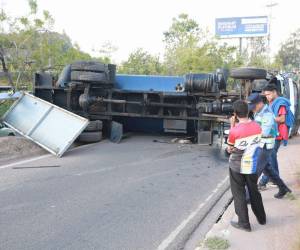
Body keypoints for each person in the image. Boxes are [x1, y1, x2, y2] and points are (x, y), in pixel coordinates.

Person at [227, 100, 266, 232]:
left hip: (237, 167)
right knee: (254, 191)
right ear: (248, 111)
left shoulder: (235, 131)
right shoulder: (257, 126)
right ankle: (262, 218)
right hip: (252, 165)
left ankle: (244, 223)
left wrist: (232, 125)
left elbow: (230, 149)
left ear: (235, 114)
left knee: (239, 194)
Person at [247, 93, 292, 198]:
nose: (252, 109)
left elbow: (264, 132)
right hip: (260, 145)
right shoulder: (259, 111)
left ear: (259, 103)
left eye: (253, 107)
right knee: (268, 170)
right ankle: (283, 188)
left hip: (265, 146)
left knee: (254, 172)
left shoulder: (266, 114)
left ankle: (247, 196)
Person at [259, 84, 295, 189]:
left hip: (277, 134)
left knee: (269, 158)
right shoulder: (272, 103)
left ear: (275, 92)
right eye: (266, 95)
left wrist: (267, 118)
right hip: (273, 133)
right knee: (270, 157)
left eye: (269, 94)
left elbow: (282, 119)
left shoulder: (280, 103)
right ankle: (273, 180)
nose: (267, 97)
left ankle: (266, 181)